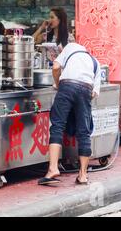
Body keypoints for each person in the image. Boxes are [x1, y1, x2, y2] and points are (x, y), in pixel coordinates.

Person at [38, 42, 101, 186]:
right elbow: (94, 93)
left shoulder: (70, 47)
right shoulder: (95, 63)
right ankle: (83, 175)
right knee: (84, 131)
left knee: (57, 126)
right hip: (86, 88)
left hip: (67, 85)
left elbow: (55, 67)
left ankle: (53, 169)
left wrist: (58, 84)